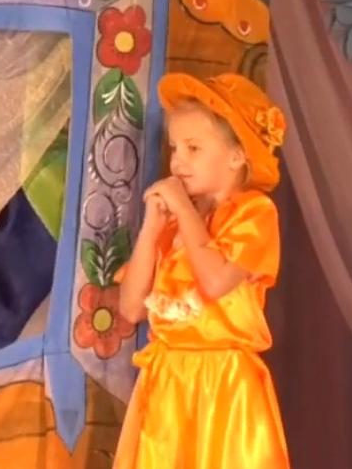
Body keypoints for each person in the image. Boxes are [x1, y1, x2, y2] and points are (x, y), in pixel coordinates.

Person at [112, 73, 290, 468]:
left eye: (193, 148)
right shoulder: (175, 224)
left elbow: (216, 281)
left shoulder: (255, 214)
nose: (177, 161)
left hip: (223, 386)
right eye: (175, 147)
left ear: (236, 156)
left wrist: (182, 209)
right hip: (168, 383)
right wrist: (152, 228)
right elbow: (131, 308)